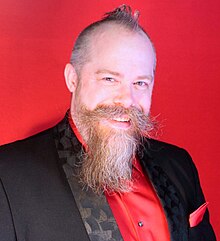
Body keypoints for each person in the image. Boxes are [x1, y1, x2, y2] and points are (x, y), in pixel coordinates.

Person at [0, 5, 216, 241]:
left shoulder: (179, 164)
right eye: (110, 79)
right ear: (73, 79)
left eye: (140, 83)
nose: (127, 100)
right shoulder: (8, 173)